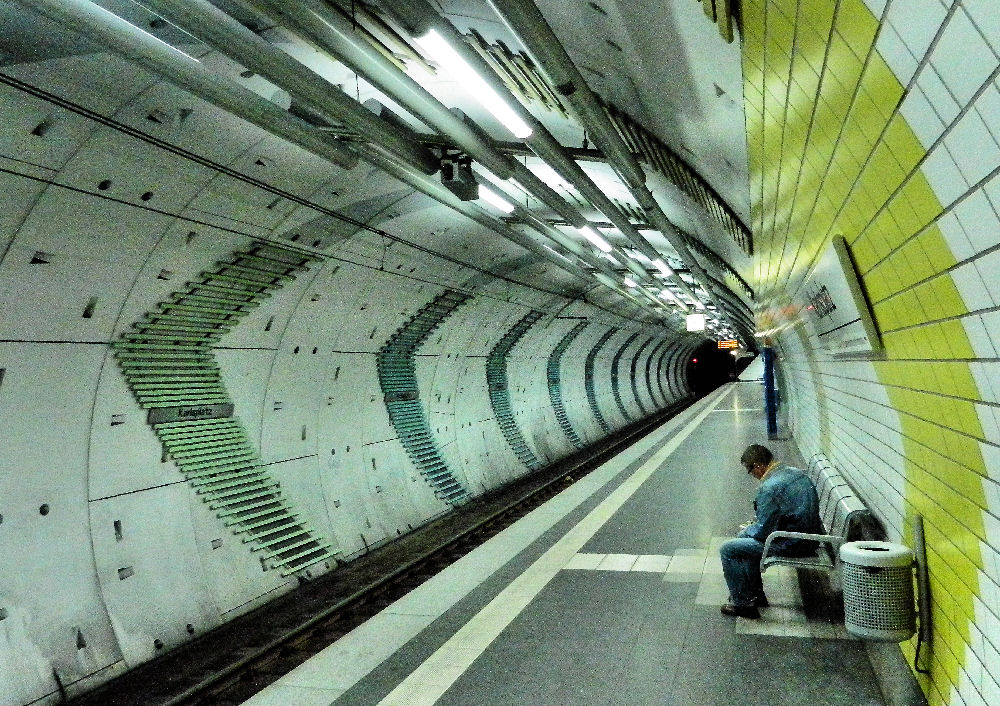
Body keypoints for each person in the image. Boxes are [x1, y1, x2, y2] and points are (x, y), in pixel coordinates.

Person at [718, 444, 822, 619]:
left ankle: (743, 604)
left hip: (793, 542)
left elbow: (763, 532)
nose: (752, 475)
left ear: (758, 465)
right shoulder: (795, 472)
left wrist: (747, 531)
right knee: (744, 543)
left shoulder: (769, 487)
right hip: (809, 536)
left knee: (729, 549)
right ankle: (755, 595)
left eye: (750, 470)